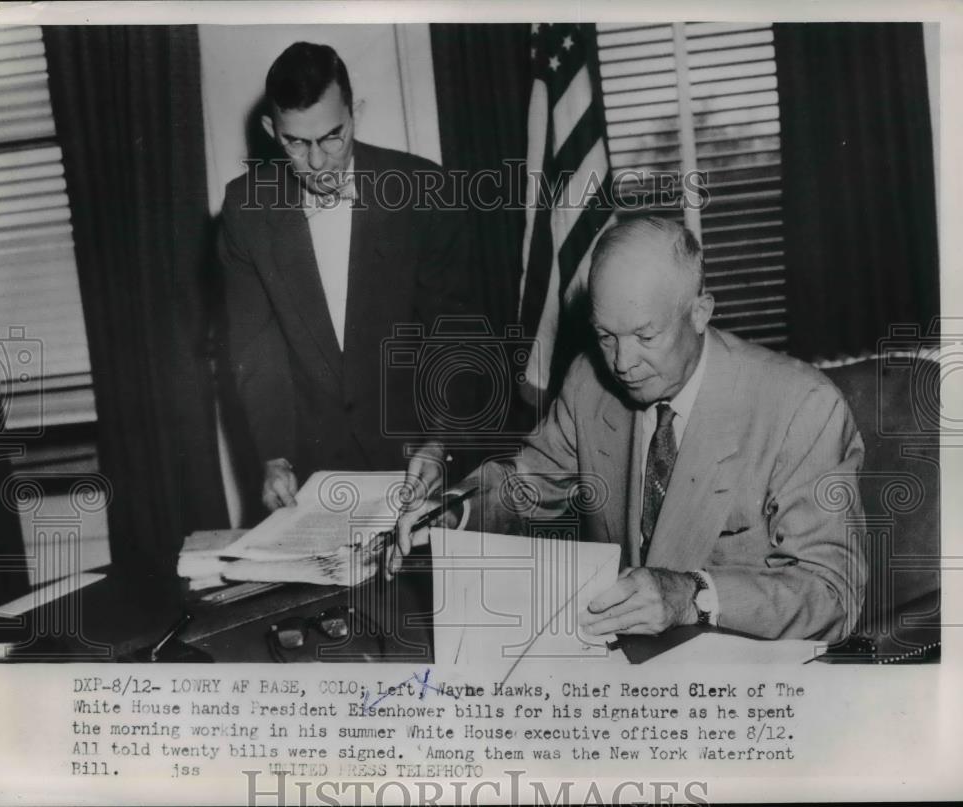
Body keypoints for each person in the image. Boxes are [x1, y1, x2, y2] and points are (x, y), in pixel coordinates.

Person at [393, 217, 866, 643]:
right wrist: (454, 511)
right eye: (605, 336)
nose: (622, 363)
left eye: (645, 336)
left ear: (700, 312)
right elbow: (524, 485)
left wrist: (694, 596)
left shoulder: (803, 407)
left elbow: (832, 595)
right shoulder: (587, 381)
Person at [217, 42, 469, 517]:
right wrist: (274, 456)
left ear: (356, 114)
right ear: (272, 130)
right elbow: (255, 347)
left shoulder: (424, 191)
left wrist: (438, 441)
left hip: (418, 454)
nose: (317, 162)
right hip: (313, 471)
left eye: (333, 136)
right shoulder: (245, 209)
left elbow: (451, 333)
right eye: (296, 142)